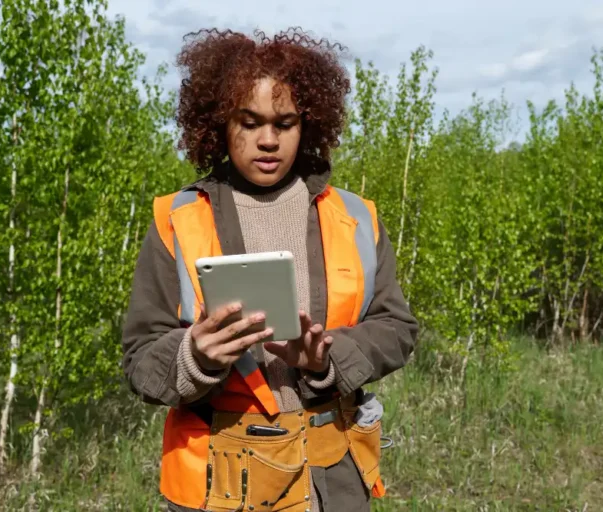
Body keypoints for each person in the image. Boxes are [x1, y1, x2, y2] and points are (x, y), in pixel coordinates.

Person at [121, 27, 418, 512]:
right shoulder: (174, 220)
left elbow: (397, 329)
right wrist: (195, 356)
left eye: (285, 123)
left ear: (309, 125)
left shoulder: (356, 216)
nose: (267, 140)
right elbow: (139, 358)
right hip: (219, 481)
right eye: (250, 121)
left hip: (332, 480)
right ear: (219, 122)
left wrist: (327, 361)